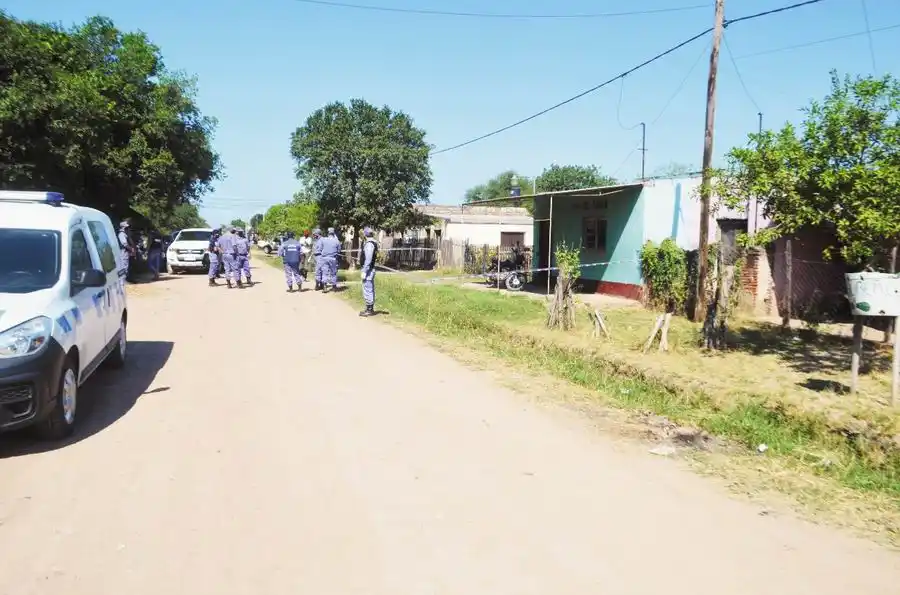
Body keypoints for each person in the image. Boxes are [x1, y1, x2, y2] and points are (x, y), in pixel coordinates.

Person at [359, 226, 379, 317]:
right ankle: (369, 308)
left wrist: (364, 271)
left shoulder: (369, 244)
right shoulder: (372, 242)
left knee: (368, 289)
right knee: (368, 288)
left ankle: (369, 309)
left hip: (368, 270)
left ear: (365, 234)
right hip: (370, 269)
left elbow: (368, 259)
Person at [319, 227, 341, 292]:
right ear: (334, 233)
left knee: (324, 272)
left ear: (328, 233)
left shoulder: (324, 240)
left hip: (324, 258)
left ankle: (325, 287)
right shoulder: (337, 241)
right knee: (333, 273)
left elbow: (320, 249)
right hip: (333, 258)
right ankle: (334, 287)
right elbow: (339, 250)